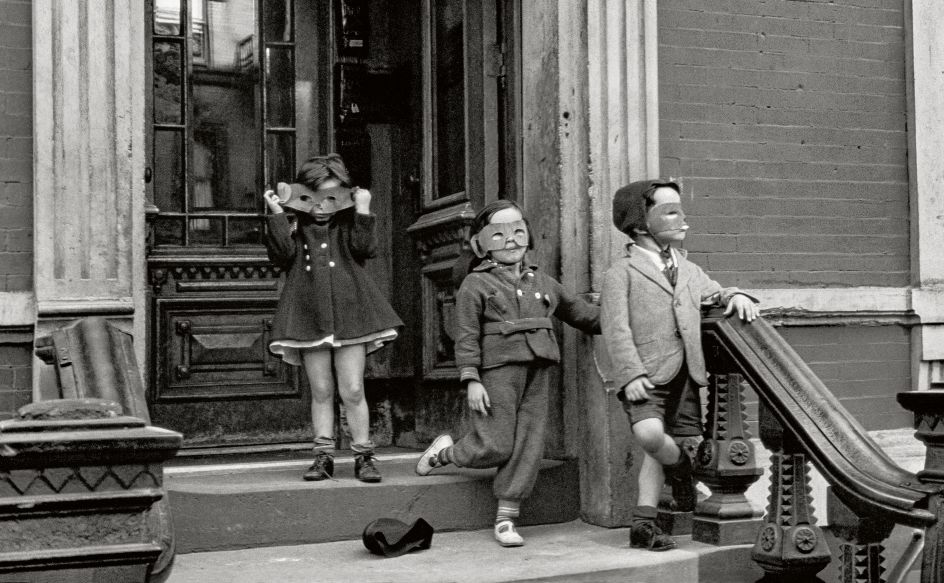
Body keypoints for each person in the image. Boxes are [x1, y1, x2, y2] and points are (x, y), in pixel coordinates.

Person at [415, 200, 601, 547]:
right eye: (498, 234)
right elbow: (466, 335)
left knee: (529, 443)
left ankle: (506, 518)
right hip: (497, 372)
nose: (511, 240)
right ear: (481, 244)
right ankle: (446, 453)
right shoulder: (475, 284)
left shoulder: (543, 282)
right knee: (497, 444)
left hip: (539, 368)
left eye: (517, 231)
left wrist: (624, 316)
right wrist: (471, 378)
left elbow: (582, 314)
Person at [600, 178, 759, 551]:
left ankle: (643, 524)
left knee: (664, 446)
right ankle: (683, 472)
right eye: (670, 212)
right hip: (645, 374)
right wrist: (630, 374)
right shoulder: (620, 273)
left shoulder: (688, 269)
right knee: (651, 436)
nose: (682, 219)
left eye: (681, 210)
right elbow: (615, 328)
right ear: (641, 223)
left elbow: (712, 291)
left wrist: (734, 295)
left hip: (686, 373)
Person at [263, 153, 403, 483]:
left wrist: (363, 209)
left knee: (353, 389)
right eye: (312, 196)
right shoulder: (296, 224)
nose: (321, 206)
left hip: (351, 312)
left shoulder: (348, 222)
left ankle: (363, 456)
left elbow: (365, 249)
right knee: (322, 389)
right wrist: (277, 213)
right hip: (309, 314)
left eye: (330, 196)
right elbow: (281, 255)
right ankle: (323, 456)